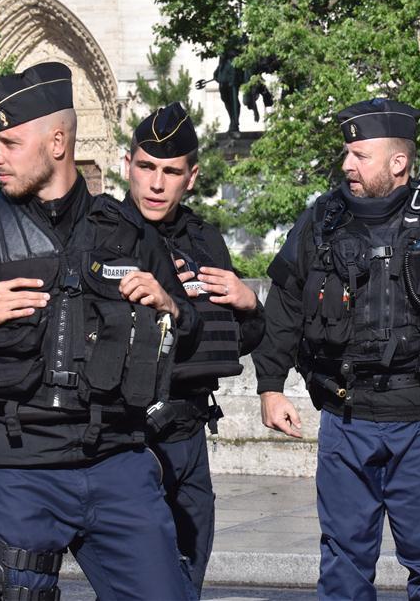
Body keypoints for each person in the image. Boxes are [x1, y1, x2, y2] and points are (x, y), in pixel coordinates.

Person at [0, 63, 199, 601]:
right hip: (20, 470)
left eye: (9, 143)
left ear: (57, 142)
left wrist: (171, 306)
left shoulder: (127, 231)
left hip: (118, 463)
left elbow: (189, 332)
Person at [253, 98, 420, 600]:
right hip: (345, 420)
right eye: (347, 154)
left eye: (360, 155)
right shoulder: (321, 222)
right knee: (343, 566)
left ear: (398, 162)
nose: (346, 165)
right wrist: (270, 386)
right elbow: (285, 303)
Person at [124, 101, 265, 594]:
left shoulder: (204, 238)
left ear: (191, 176)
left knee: (188, 577)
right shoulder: (105, 235)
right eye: (147, 168)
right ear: (128, 166)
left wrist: (249, 304)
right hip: (128, 437)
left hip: (188, 432)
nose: (157, 184)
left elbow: (236, 341)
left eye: (171, 172)